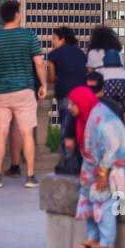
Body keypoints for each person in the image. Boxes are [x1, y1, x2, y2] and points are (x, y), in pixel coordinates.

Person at [69, 85, 125, 248]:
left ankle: (107, 243)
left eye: (72, 103)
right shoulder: (87, 116)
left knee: (106, 197)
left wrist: (103, 173)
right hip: (103, 162)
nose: (69, 107)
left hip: (124, 163)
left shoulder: (101, 119)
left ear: (81, 104)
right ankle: (93, 238)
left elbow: (114, 145)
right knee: (87, 191)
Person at [0, 0, 46, 189]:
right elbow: (39, 62)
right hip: (24, 89)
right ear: (17, 15)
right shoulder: (28, 36)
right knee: (27, 132)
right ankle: (30, 176)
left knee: (0, 133)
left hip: (0, 91)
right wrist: (43, 84)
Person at [44, 26, 85, 168]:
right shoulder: (81, 53)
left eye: (54, 39)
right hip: (81, 95)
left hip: (65, 94)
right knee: (80, 127)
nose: (53, 43)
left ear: (62, 39)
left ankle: (69, 161)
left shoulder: (54, 54)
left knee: (66, 129)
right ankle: (80, 159)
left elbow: (51, 78)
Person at [85, 26, 125, 119]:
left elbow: (90, 71)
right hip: (124, 82)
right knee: (123, 115)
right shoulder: (117, 52)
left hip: (106, 82)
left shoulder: (93, 52)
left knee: (103, 114)